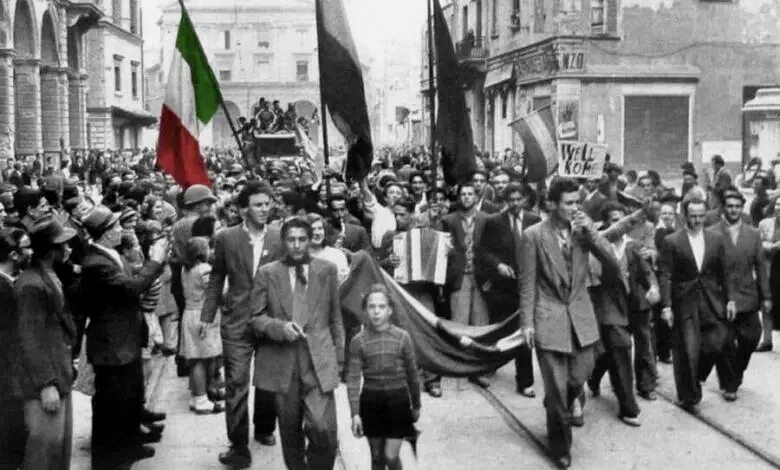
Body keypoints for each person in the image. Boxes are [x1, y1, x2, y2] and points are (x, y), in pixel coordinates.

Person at [518, 177, 619, 468]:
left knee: (580, 374)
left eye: (578, 202)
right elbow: (527, 283)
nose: (575, 208)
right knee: (557, 389)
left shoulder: (583, 232)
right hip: (548, 317)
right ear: (552, 204)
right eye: (569, 203)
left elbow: (612, 263)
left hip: (581, 316)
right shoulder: (533, 235)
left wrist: (592, 234)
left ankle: (558, 401)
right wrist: (527, 323)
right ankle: (560, 447)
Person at [250, 216, 345, 470]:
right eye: (291, 239)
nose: (296, 245)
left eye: (302, 239)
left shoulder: (326, 270)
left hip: (318, 360)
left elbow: (336, 317)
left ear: (310, 240)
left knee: (323, 427)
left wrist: (340, 358)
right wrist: (279, 328)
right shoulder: (268, 273)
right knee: (290, 430)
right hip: (283, 362)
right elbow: (255, 318)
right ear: (283, 241)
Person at [201, 181, 284, 468]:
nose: (264, 209)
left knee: (268, 381)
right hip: (237, 322)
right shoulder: (226, 237)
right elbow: (216, 277)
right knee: (236, 383)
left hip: (270, 320)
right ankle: (238, 445)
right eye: (258, 205)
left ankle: (264, 427)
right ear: (244, 208)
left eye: (267, 204)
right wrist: (206, 316)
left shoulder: (278, 236)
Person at [81, 205, 168, 468]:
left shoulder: (111, 256)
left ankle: (129, 447)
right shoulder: (96, 263)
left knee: (129, 397)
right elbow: (131, 288)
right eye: (116, 226)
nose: (121, 230)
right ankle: (109, 459)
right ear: (106, 233)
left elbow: (134, 279)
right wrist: (155, 261)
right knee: (112, 402)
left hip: (125, 339)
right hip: (112, 344)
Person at [658, 195, 735, 414]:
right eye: (693, 216)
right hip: (685, 301)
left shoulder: (716, 239)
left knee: (718, 341)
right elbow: (666, 276)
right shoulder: (672, 241)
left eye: (701, 216)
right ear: (684, 216)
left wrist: (730, 299)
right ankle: (689, 397)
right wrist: (666, 306)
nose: (698, 220)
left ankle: (698, 376)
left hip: (711, 300)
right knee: (687, 349)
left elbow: (725, 272)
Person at [15, 218, 78, 470]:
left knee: (59, 449)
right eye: (64, 245)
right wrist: (46, 384)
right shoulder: (30, 285)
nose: (69, 249)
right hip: (46, 381)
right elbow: (30, 337)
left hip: (60, 371)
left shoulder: (49, 276)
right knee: (44, 451)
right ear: (52, 250)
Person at [476, 182, 541, 398]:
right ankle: (488, 366)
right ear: (505, 201)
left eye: (518, 199)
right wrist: (498, 265)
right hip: (503, 286)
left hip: (527, 285)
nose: (514, 204)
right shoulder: (494, 221)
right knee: (499, 330)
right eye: (510, 200)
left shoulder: (534, 220)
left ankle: (525, 382)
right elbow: (482, 250)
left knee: (524, 332)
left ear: (524, 199)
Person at [347, 284, 421, 470]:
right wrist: (355, 413)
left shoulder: (403, 338)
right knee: (377, 457)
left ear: (390, 310)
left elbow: (413, 375)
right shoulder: (358, 341)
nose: (376, 311)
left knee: (390, 456)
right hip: (371, 403)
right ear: (365, 310)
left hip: (398, 403)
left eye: (381, 306)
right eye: (371, 306)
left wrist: (416, 404)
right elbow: (353, 379)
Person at [712, 188, 770, 400]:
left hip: (747, 296)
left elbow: (760, 267)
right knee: (725, 343)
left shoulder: (753, 234)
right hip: (721, 298)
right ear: (723, 208)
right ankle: (730, 384)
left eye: (737, 206)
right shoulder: (712, 233)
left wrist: (766, 297)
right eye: (730, 206)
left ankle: (736, 373)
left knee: (752, 337)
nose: (733, 210)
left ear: (742, 208)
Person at [181, 237, 225, 414]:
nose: (210, 251)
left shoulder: (186, 268)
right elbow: (216, 292)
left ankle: (197, 395)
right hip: (203, 315)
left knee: (196, 358)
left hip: (190, 314)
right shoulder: (204, 269)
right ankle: (201, 398)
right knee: (203, 359)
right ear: (201, 252)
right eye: (207, 248)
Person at [0, 228, 30, 470]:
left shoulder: (11, 282)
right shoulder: (4, 289)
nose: (32, 252)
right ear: (13, 255)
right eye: (27, 247)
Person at [758, 196, 780, 351]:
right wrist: (773, 246)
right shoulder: (764, 224)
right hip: (770, 269)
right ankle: (767, 340)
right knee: (767, 303)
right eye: (778, 204)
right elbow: (757, 244)